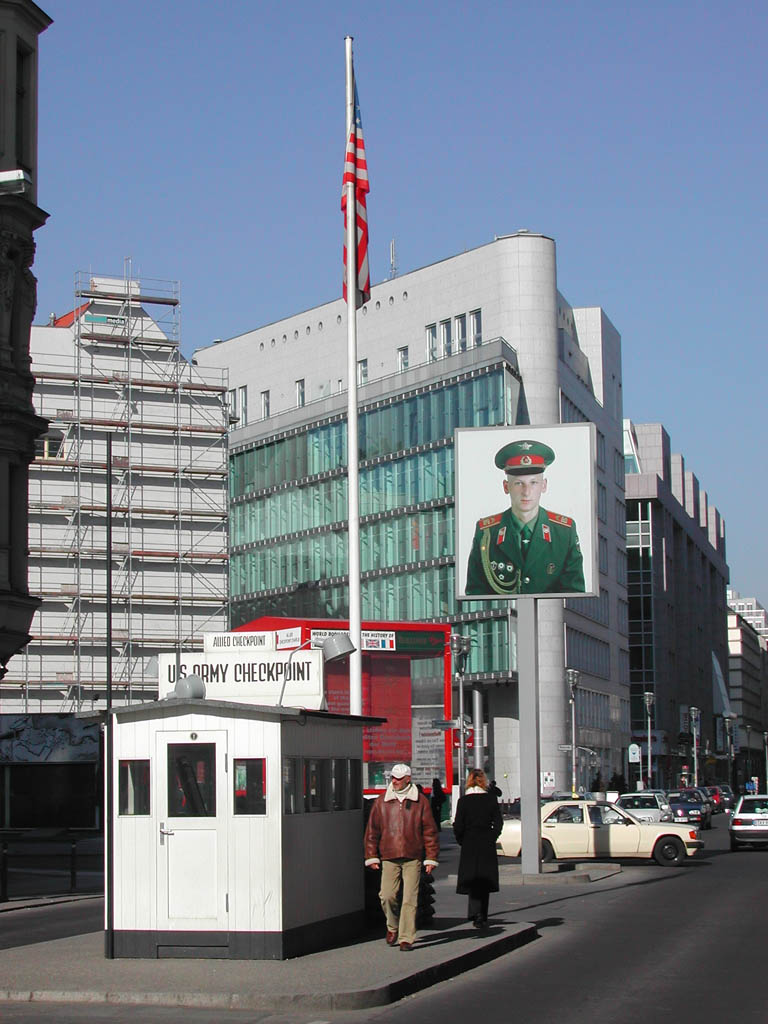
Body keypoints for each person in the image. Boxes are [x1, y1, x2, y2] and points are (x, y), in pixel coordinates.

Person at [464, 439, 585, 595]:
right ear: (506, 487)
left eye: (533, 482)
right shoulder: (487, 532)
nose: (526, 492)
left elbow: (575, 593)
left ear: (544, 485)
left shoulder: (564, 531)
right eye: (519, 483)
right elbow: (475, 592)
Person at [364, 763, 440, 951]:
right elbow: (372, 831)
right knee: (387, 895)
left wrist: (430, 857)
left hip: (412, 855)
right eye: (393, 778)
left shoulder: (420, 801)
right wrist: (371, 855)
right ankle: (392, 926)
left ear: (408, 779)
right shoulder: (382, 802)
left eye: (399, 778)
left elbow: (429, 831)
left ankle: (406, 937)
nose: (395, 781)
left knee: (409, 899)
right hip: (389, 855)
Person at [453, 768, 503, 929]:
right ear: (484, 782)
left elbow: (458, 824)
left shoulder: (463, 801)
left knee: (472, 878)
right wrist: (492, 836)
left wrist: (461, 839)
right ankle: (482, 915)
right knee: (485, 879)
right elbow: (499, 823)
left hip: (469, 842)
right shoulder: (490, 800)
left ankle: (474, 912)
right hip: (486, 842)